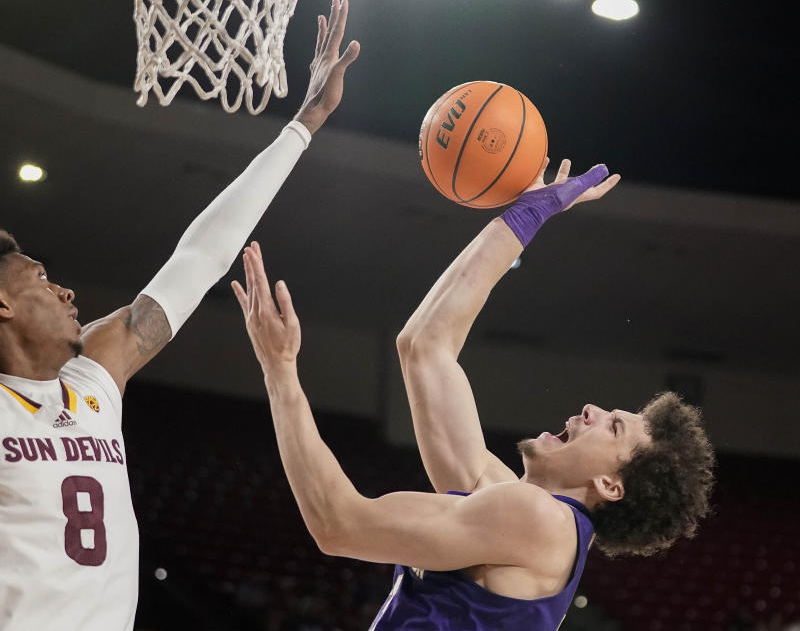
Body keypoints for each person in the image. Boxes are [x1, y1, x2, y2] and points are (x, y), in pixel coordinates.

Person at [0, 0, 360, 629]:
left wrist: (302, 125)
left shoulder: (94, 380)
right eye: (42, 280)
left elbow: (199, 258)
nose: (66, 293)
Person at [232, 159, 716, 630]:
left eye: (612, 426)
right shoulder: (517, 511)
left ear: (611, 485)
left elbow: (338, 524)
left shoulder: (535, 520)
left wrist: (280, 371)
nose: (591, 408)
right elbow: (426, 346)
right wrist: (529, 214)